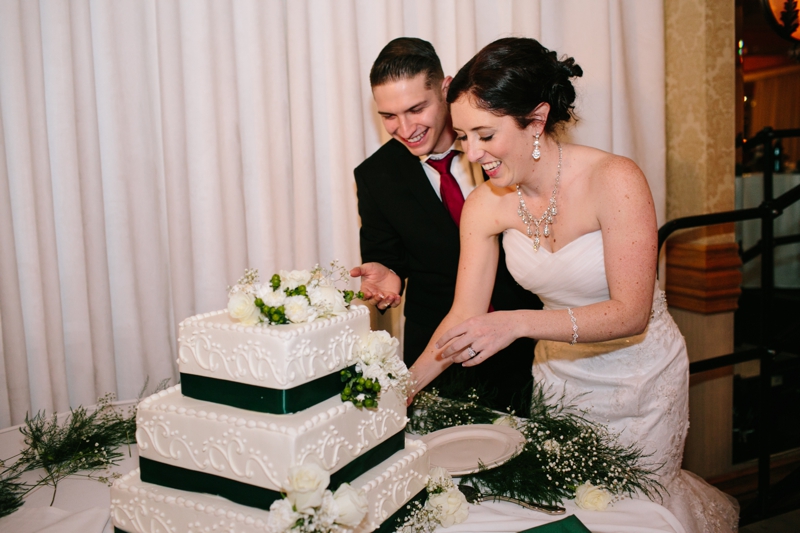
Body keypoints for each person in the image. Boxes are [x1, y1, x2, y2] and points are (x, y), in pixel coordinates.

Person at [408, 37, 738, 532]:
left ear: (536, 120)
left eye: (486, 135)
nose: (472, 154)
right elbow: (463, 316)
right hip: (561, 380)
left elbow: (631, 313)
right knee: (571, 512)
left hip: (640, 380)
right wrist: (403, 389)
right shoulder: (484, 205)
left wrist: (516, 324)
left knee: (639, 513)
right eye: (463, 137)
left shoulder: (615, 179)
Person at [351, 37, 542, 412]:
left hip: (527, 335)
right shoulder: (375, 176)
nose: (405, 128)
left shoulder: (499, 144)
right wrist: (388, 274)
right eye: (389, 116)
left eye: (416, 109)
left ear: (445, 88)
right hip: (439, 350)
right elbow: (386, 256)